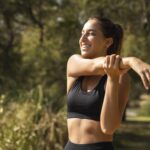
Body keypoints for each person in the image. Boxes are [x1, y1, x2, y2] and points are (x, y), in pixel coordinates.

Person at [64, 16, 150, 150]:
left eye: (91, 33)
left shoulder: (122, 78)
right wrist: (133, 61)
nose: (82, 39)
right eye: (82, 33)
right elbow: (94, 66)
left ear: (108, 42)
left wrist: (112, 79)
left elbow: (108, 128)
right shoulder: (74, 63)